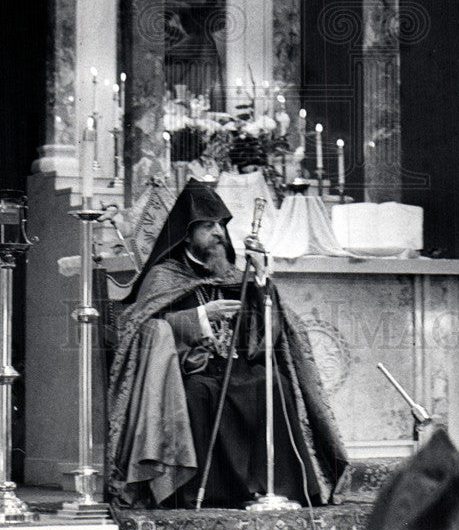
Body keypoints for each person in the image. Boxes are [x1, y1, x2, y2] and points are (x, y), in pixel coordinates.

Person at [107, 179, 347, 509]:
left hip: (237, 362)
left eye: (221, 224)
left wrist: (261, 279)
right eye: (208, 226)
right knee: (199, 393)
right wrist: (201, 317)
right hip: (189, 368)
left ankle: (272, 488)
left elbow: (266, 331)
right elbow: (146, 330)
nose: (219, 233)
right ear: (186, 233)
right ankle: (198, 492)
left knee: (271, 382)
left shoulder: (234, 274)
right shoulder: (164, 276)